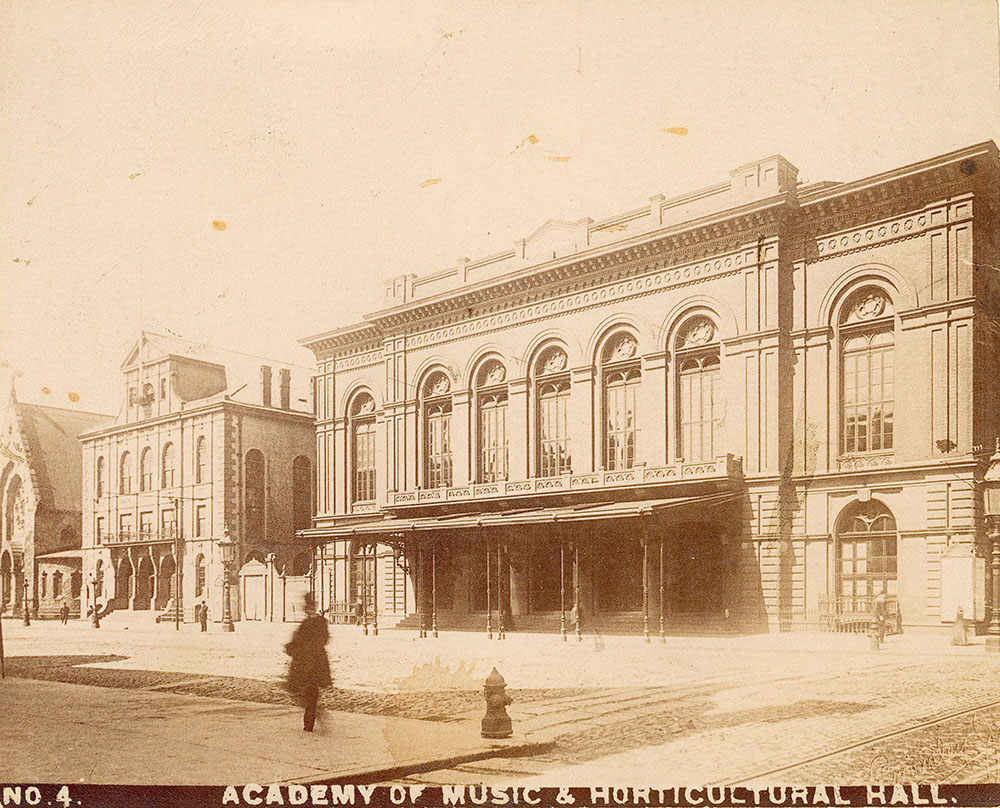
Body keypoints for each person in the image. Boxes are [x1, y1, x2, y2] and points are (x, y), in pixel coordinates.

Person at [284, 593, 332, 732]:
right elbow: (325, 639)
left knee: (305, 690)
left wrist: (292, 647)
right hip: (317, 660)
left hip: (307, 662)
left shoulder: (307, 624)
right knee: (311, 690)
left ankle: (310, 720)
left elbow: (298, 641)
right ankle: (312, 717)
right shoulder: (321, 622)